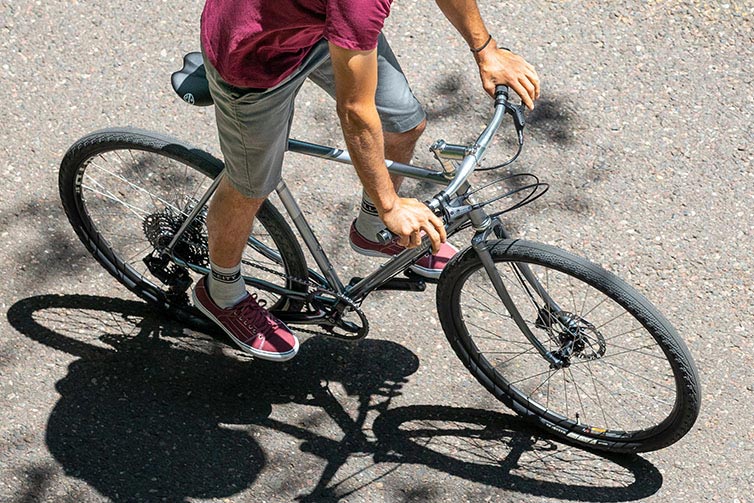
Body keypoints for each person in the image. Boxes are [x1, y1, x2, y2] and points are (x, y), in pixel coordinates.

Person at [192, 0, 540, 361]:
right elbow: (355, 111)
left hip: (324, 28)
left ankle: (372, 230)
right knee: (251, 186)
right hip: (255, 55)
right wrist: (391, 204)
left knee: (403, 124)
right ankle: (221, 291)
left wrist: (486, 50)